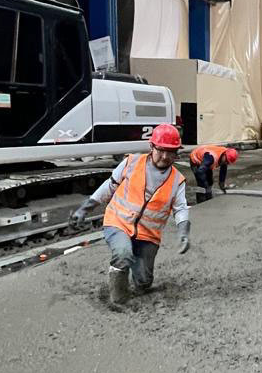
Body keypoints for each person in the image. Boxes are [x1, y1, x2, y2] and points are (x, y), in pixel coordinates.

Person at [73, 123, 190, 308]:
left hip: (148, 235)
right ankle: (118, 300)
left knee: (144, 281)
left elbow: (181, 209)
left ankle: (138, 277)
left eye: (171, 152)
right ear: (151, 147)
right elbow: (109, 187)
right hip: (118, 222)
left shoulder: (177, 180)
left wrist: (183, 233)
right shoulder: (131, 162)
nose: (165, 156)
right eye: (161, 150)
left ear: (177, 153)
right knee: (123, 254)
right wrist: (85, 209)